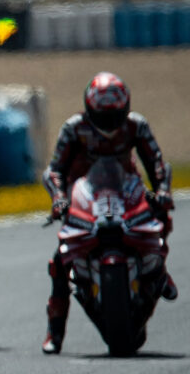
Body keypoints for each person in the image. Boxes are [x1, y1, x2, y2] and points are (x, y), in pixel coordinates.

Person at [40, 71, 176, 354]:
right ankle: (55, 331)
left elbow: (157, 163)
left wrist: (162, 190)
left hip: (127, 191)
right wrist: (59, 199)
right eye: (103, 116)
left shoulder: (136, 125)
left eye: (115, 115)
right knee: (61, 257)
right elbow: (55, 170)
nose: (110, 122)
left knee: (160, 214)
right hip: (84, 197)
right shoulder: (74, 128)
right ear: (90, 109)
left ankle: (159, 267)